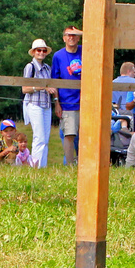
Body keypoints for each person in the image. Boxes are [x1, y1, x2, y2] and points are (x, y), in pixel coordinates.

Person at [51, 27, 83, 166]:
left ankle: (83, 164)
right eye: (68, 35)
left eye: (75, 35)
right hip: (67, 103)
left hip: (85, 102)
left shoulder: (84, 50)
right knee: (69, 134)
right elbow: (54, 81)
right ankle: (69, 166)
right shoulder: (58, 56)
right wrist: (57, 103)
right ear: (64, 38)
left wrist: (83, 33)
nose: (71, 38)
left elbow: (97, 40)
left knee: (85, 135)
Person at [21, 39, 55, 168]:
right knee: (39, 137)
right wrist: (42, 87)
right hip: (34, 104)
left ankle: (42, 166)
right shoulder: (30, 67)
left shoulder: (47, 68)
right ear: (33, 52)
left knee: (45, 139)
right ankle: (35, 167)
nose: (41, 52)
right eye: (38, 50)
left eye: (43, 50)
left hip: (46, 105)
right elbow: (25, 88)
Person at [112, 62, 135, 133]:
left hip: (116, 115)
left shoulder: (112, 82)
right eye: (134, 72)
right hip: (130, 115)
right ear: (128, 71)